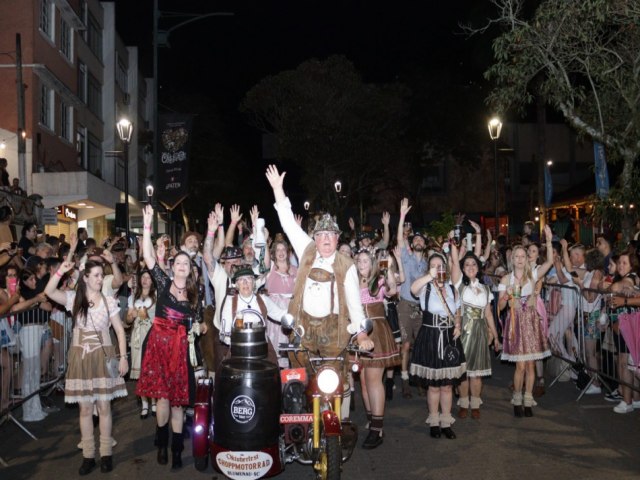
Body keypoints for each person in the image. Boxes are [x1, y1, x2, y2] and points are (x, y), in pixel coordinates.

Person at [265, 164, 373, 418]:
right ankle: (301, 421)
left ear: (338, 239)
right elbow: (289, 224)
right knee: (299, 383)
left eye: (330, 235)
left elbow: (355, 305)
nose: (325, 239)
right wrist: (279, 191)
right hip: (303, 329)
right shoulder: (306, 249)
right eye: (321, 234)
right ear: (315, 237)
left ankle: (340, 426)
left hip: (334, 332)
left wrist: (360, 335)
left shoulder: (347, 265)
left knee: (339, 382)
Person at [135, 204, 207, 470]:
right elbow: (149, 258)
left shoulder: (195, 297)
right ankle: (162, 443)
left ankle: (177, 451)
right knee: (162, 401)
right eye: (178, 263)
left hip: (180, 355)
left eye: (186, 264)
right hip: (158, 350)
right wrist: (147, 226)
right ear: (173, 266)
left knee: (178, 404)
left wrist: (199, 328)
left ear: (190, 269)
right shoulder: (163, 284)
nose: (181, 267)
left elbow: (198, 325)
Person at [44, 259, 128, 475]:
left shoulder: (109, 301)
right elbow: (49, 291)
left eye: (102, 275)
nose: (101, 279)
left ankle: (106, 453)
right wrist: (61, 270)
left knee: (104, 407)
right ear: (86, 277)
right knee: (85, 409)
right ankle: (88, 455)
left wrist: (124, 357)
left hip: (102, 355)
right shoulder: (74, 299)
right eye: (97, 275)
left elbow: (119, 330)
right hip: (81, 357)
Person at [498, 225, 553, 417]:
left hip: (530, 320)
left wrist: (548, 240)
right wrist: (504, 299)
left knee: (530, 365)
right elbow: (500, 308)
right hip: (515, 322)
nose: (520, 259)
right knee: (520, 365)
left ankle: (528, 399)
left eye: (523, 256)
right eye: (517, 256)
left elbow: (550, 262)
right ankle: (517, 398)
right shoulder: (506, 280)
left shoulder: (533, 275)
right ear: (512, 259)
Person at [410, 252, 466, 439]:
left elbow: (457, 310)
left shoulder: (452, 289)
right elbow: (412, 289)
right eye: (433, 265)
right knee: (434, 385)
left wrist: (458, 324)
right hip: (430, 336)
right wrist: (430, 276)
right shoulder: (425, 287)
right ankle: (434, 421)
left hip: (449, 338)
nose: (437, 268)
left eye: (440, 265)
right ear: (429, 269)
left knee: (448, 385)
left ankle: (446, 421)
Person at [354, 248, 401, 448]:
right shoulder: (352, 283)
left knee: (374, 381)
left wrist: (388, 268)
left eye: (366, 260)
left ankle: (377, 430)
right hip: (357, 332)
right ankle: (373, 418)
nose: (362, 263)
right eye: (359, 260)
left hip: (376, 331)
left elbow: (393, 291)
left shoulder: (378, 281)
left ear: (372, 263)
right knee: (364, 382)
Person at [450, 246, 500, 420]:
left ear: (478, 268)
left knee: (477, 372)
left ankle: (476, 403)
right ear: (463, 269)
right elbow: (455, 261)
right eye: (467, 265)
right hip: (464, 330)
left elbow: (488, 314)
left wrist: (496, 336)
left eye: (474, 264)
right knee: (464, 371)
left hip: (479, 331)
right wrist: (454, 244)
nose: (470, 267)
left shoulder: (486, 289)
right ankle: (464, 403)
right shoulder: (459, 286)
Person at [396, 198, 428, 398]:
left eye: (420, 240)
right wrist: (402, 217)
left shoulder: (427, 263)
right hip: (406, 305)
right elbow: (400, 239)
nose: (417, 241)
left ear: (424, 245)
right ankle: (405, 379)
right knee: (406, 344)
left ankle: (420, 379)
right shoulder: (406, 257)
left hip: (421, 307)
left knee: (420, 344)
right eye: (415, 239)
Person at [607, 248, 640, 414]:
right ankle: (634, 399)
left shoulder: (632, 278)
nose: (620, 265)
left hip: (631, 326)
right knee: (628, 363)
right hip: (623, 324)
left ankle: (627, 401)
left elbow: (621, 286)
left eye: (624, 263)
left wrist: (619, 288)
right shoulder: (622, 278)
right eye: (619, 262)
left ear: (632, 265)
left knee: (627, 363)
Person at [126, 269, 157, 419]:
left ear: (152, 280)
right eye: (143, 277)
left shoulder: (156, 296)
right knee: (141, 372)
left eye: (148, 277)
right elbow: (128, 319)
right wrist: (131, 317)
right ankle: (145, 404)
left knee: (152, 369)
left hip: (152, 334)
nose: (145, 280)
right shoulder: (133, 297)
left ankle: (155, 401)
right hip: (138, 335)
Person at [264, 238, 298, 367]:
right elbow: (265, 259)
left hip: (292, 313)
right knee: (277, 350)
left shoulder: (296, 270)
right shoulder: (271, 268)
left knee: (293, 347)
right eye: (278, 250)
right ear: (273, 253)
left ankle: (292, 380)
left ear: (288, 252)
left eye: (283, 249)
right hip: (275, 316)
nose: (281, 252)